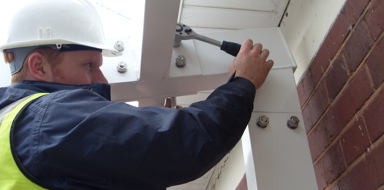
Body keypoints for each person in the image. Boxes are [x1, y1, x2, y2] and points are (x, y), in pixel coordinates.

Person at [0, 0, 273, 189]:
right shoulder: (46, 120)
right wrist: (242, 82)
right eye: (88, 65)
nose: (102, 79)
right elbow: (185, 143)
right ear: (39, 66)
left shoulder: (14, 130)